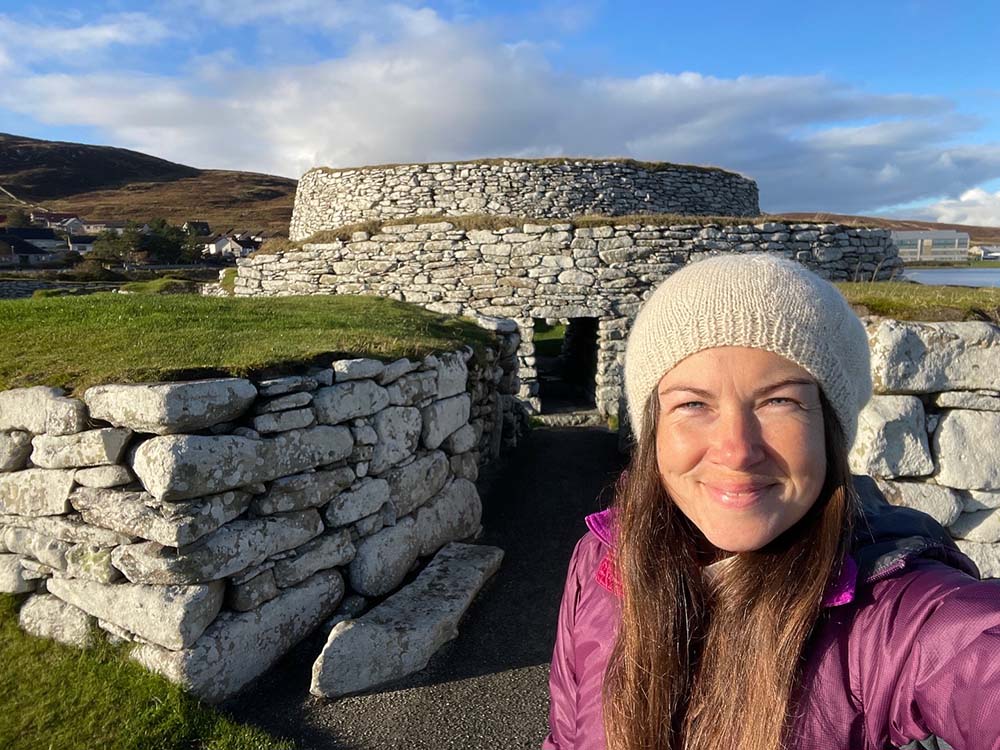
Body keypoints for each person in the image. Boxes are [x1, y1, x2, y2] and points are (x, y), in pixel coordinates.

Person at [543, 253, 1000, 750]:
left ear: (830, 426)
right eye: (693, 404)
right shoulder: (603, 558)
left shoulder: (896, 614)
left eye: (779, 400)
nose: (736, 450)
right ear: (653, 427)